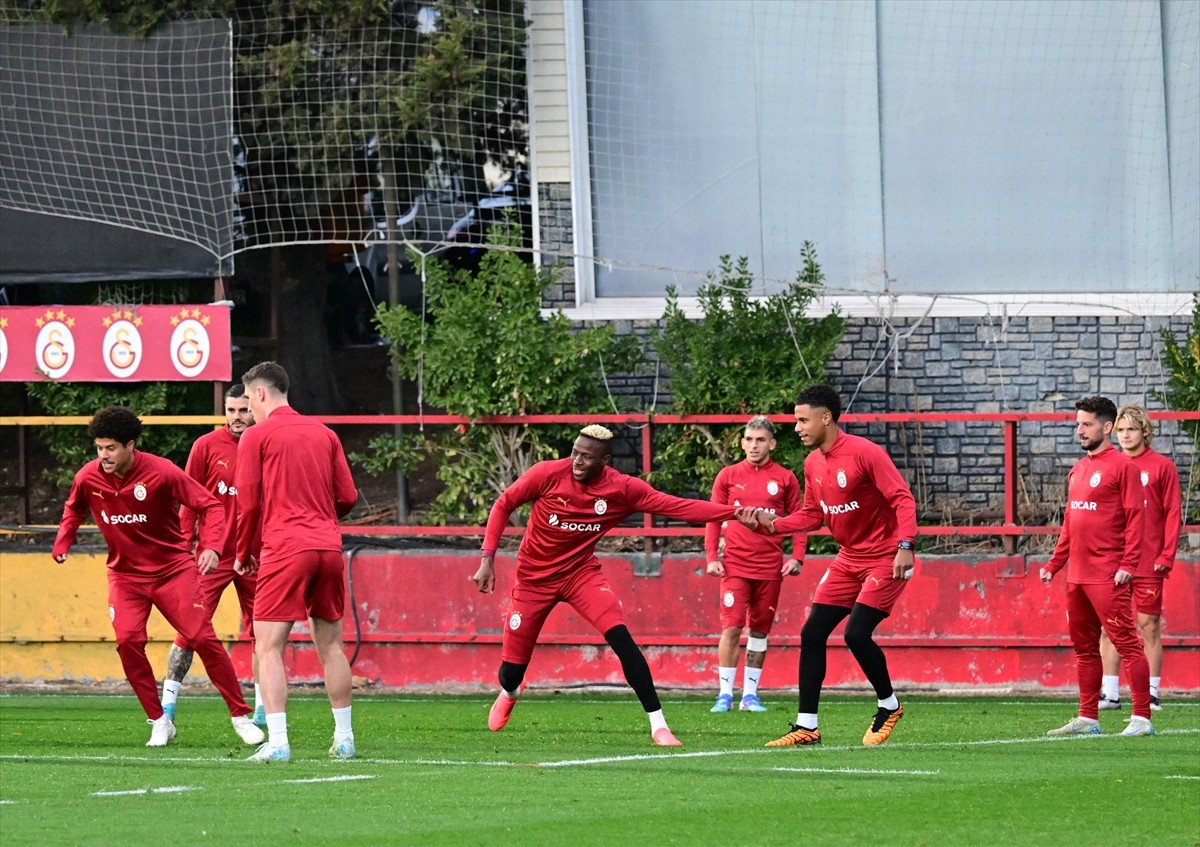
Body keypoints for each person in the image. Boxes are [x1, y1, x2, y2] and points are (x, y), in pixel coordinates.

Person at [472, 424, 748, 747]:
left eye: (586, 457)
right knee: (511, 672)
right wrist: (487, 558)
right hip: (533, 580)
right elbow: (504, 503)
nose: (576, 461)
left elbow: (677, 506)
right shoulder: (547, 474)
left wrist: (735, 513)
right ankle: (510, 692)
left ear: (605, 462)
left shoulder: (622, 488)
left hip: (580, 575)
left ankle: (658, 725)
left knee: (621, 638)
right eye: (575, 452)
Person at [51, 406, 265, 749]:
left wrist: (210, 546)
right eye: (99, 448)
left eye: (110, 448)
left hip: (172, 570)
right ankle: (159, 720)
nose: (103, 456)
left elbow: (209, 505)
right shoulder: (88, 477)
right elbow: (73, 508)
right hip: (125, 577)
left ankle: (240, 715)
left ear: (130, 445)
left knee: (201, 636)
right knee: (128, 641)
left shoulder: (162, 471)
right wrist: (63, 540)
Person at [742, 385, 916, 747]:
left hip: (885, 555)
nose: (798, 428)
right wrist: (770, 522)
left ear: (827, 418)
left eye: (803, 420)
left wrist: (905, 546)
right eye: (796, 420)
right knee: (812, 633)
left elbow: (902, 499)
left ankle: (890, 705)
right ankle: (807, 727)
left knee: (855, 634)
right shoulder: (812, 463)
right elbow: (812, 514)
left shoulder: (866, 453)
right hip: (848, 557)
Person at [233, 361, 359, 763]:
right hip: (328, 547)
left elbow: (248, 504)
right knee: (332, 645)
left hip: (286, 547)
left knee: (268, 646)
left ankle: (279, 742)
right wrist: (320, 515)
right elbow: (349, 497)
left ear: (261, 394)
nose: (248, 408)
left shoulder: (256, 436)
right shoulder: (325, 434)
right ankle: (344, 738)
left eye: (249, 399)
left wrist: (243, 553)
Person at [1040, 395, 1154, 737]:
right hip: (1077, 576)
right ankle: (1088, 718)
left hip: (1108, 574)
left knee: (1127, 644)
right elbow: (1070, 524)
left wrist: (1129, 564)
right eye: (1078, 424)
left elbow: (1138, 519)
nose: (1080, 430)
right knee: (1084, 648)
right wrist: (1055, 563)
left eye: (1087, 424)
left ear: (1107, 427)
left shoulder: (1124, 468)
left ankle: (1142, 718)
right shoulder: (1078, 469)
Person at [159, 384, 265, 726]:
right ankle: (168, 705)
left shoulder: (268, 443)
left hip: (256, 555)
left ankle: (265, 709)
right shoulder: (205, 447)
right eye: (232, 410)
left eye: (244, 410)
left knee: (264, 633)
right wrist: (183, 546)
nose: (237, 417)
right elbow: (189, 501)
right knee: (189, 629)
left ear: (255, 408)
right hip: (211, 556)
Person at [704, 415, 804, 714]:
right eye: (748, 439)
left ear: (772, 443)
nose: (753, 445)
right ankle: (724, 694)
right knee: (732, 627)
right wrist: (711, 557)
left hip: (770, 567)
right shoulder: (728, 476)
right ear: (742, 442)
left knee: (760, 632)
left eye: (760, 440)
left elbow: (799, 521)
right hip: (734, 565)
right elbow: (713, 516)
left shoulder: (786, 478)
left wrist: (797, 556)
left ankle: (750, 695)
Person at [1096, 404, 1181, 713]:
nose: (1126, 435)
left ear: (1145, 431)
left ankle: (1152, 693)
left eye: (1131, 429)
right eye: (1121, 430)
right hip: (1113, 560)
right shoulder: (1109, 466)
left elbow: (1172, 512)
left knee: (1149, 625)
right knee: (1110, 626)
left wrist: (1167, 553)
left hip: (1148, 560)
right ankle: (1110, 693)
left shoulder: (1161, 467)